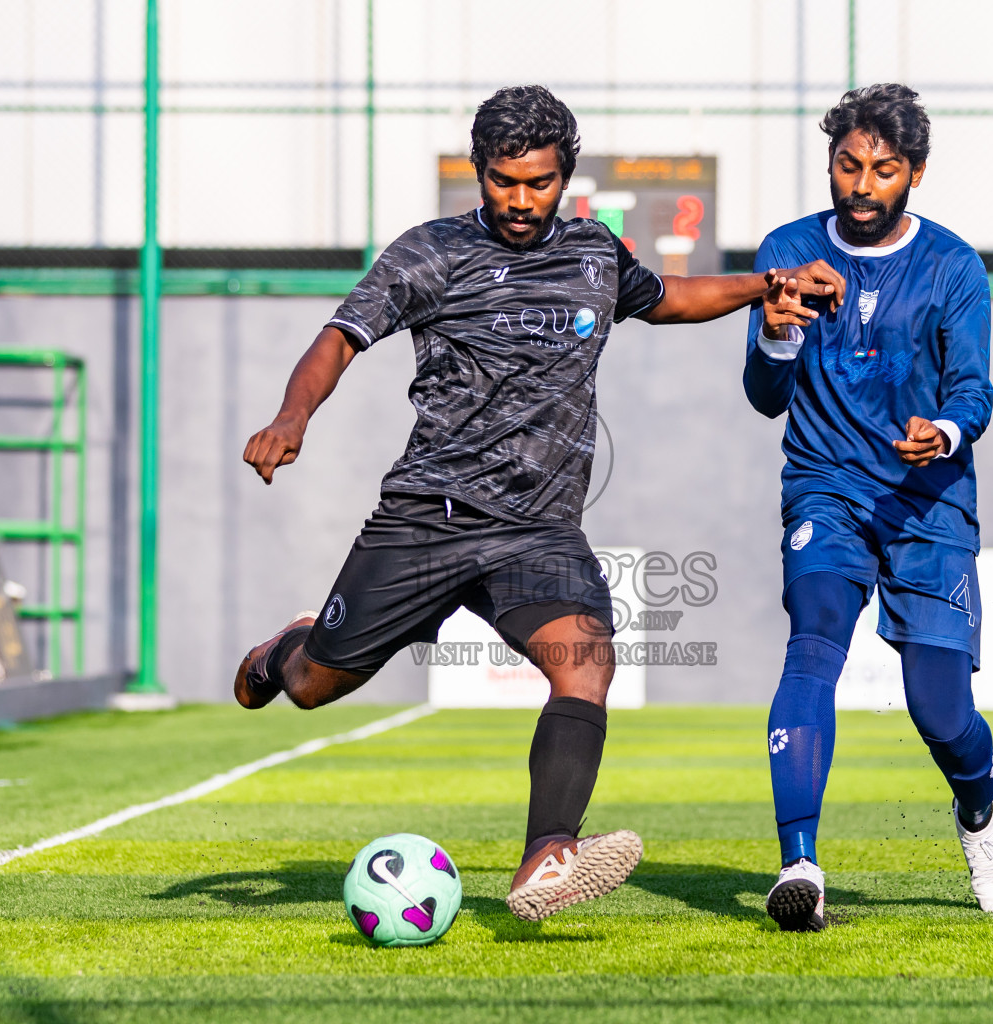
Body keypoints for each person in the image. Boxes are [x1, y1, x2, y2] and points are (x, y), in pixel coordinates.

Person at [235, 84, 845, 923]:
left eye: (540, 183)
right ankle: (288, 648)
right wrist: (291, 416)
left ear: (567, 177)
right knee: (312, 687)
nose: (521, 201)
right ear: (477, 173)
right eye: (503, 181)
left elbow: (665, 298)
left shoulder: (594, 254)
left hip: (539, 530)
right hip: (428, 519)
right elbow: (343, 336)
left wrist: (764, 285)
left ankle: (546, 856)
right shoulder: (431, 254)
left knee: (586, 660)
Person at [746, 83, 993, 931]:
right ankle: (800, 864)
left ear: (915, 175)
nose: (863, 185)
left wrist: (941, 432)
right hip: (824, 485)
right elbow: (764, 396)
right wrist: (778, 329)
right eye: (848, 166)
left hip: (927, 500)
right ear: (830, 165)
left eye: (884, 170)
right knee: (813, 637)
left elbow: (974, 390)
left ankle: (978, 815)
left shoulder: (952, 266)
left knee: (941, 711)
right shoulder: (788, 251)